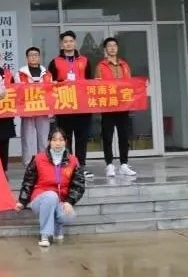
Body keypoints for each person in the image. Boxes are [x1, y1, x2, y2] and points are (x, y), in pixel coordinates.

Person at [15, 128, 85, 248]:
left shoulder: (73, 160)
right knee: (51, 196)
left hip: (60, 201)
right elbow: (28, 181)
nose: (58, 143)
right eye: (54, 140)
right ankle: (45, 235)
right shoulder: (38, 159)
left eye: (61, 140)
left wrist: (69, 201)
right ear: (49, 142)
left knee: (68, 216)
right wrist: (22, 201)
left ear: (65, 142)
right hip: (40, 199)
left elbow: (79, 184)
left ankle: (57, 227)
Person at [47, 31, 93, 173]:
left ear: (75, 43)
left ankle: (81, 165)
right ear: (61, 44)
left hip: (82, 105)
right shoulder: (55, 62)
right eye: (65, 41)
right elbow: (50, 83)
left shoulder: (85, 60)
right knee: (65, 137)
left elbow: (91, 82)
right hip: (64, 105)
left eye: (71, 41)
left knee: (81, 137)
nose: (68, 44)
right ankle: (68, 165)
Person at [95, 37, 137, 178]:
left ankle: (124, 164)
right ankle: (109, 165)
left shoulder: (124, 65)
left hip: (123, 106)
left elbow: (130, 84)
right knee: (107, 136)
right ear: (105, 49)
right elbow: (97, 86)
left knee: (124, 136)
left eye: (114, 45)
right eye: (109, 46)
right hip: (108, 106)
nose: (112, 48)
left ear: (117, 48)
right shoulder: (101, 66)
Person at [18, 47, 53, 166]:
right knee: (28, 137)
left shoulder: (47, 73)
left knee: (43, 137)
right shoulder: (20, 73)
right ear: (27, 58)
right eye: (31, 55)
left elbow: (50, 91)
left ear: (39, 57)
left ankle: (43, 162)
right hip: (27, 109)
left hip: (43, 108)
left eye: (36, 55)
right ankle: (28, 163)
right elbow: (18, 90)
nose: (33, 57)